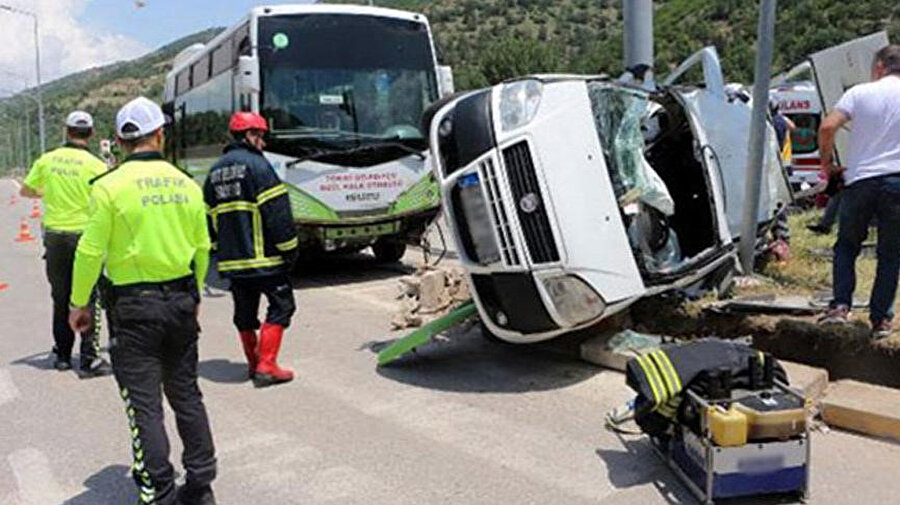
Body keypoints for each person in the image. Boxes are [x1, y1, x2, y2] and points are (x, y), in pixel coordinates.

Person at [68, 97, 217, 504]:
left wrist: (78, 304)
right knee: (186, 393)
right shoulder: (187, 184)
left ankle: (159, 491)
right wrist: (197, 292)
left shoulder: (109, 187)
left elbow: (89, 252)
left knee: (144, 404)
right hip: (182, 300)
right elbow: (203, 248)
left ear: (118, 140)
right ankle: (201, 484)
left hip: (133, 308)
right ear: (160, 135)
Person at [203, 111, 298, 388]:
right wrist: (290, 249)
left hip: (233, 263)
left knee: (244, 314)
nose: (263, 143)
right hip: (264, 258)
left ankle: (254, 363)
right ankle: (267, 365)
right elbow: (278, 213)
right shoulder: (258, 167)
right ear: (249, 136)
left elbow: (207, 219)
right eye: (261, 136)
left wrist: (219, 250)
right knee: (282, 306)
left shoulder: (214, 172)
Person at [20, 111, 111, 376]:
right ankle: (89, 358)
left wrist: (48, 192)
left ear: (66, 131)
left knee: (60, 298)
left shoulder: (48, 160)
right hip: (84, 238)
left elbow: (25, 190)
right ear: (91, 133)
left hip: (55, 238)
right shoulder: (96, 166)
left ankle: (62, 356)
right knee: (86, 297)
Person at [818, 45, 900, 340]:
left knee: (847, 246)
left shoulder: (859, 92)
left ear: (879, 66)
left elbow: (828, 127)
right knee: (891, 254)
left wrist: (828, 165)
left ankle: (840, 307)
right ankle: (881, 321)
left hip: (861, 180)